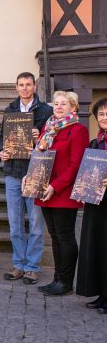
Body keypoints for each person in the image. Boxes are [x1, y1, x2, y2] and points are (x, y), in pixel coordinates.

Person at [31, 91, 88, 296]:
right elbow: (40, 158)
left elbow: (75, 165)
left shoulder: (78, 130)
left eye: (64, 104)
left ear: (74, 108)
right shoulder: (48, 129)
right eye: (56, 104)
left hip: (63, 192)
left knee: (65, 236)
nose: (59, 106)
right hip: (44, 191)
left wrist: (55, 185)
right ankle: (57, 278)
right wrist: (31, 178)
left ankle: (65, 281)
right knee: (54, 237)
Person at [0, 72, 52, 285]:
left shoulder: (46, 111)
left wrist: (38, 137)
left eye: (28, 85)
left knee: (37, 224)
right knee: (15, 223)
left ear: (34, 86)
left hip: (36, 172)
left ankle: (32, 267)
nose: (24, 88)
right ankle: (19, 264)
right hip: (13, 172)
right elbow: (4, 140)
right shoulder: (9, 110)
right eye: (20, 85)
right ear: (16, 87)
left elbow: (51, 142)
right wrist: (1, 152)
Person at [76, 98, 107, 313]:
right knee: (98, 248)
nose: (104, 117)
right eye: (101, 114)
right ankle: (102, 293)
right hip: (96, 204)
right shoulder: (96, 141)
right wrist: (81, 188)